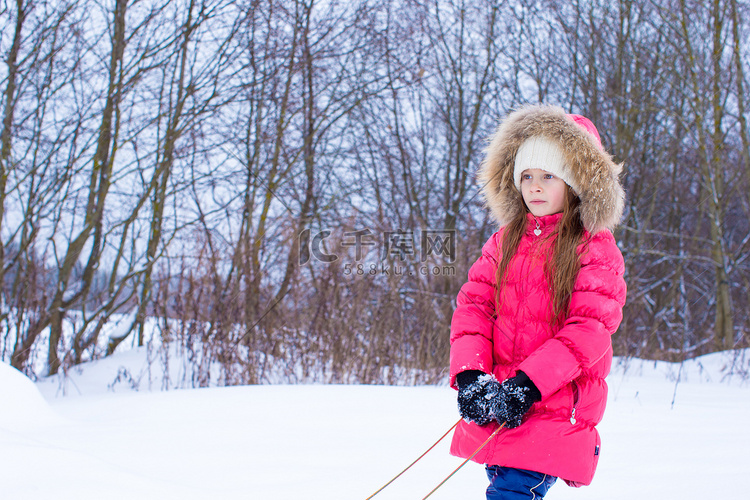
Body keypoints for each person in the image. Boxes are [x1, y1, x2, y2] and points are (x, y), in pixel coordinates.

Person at [449, 104, 627, 499]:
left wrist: (528, 385)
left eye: (549, 176)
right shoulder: (504, 241)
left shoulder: (594, 248)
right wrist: (470, 376)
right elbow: (473, 310)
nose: (535, 186)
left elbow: (589, 329)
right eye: (527, 176)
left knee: (510, 493)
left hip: (550, 404)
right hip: (501, 405)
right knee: (504, 486)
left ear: (577, 181)